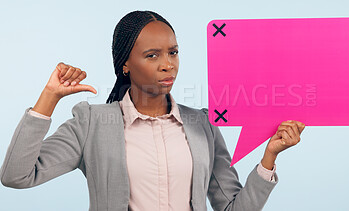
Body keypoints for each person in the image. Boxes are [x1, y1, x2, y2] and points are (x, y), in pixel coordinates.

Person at [0, 10, 305, 211]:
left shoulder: (203, 124)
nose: (167, 64)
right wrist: (50, 97)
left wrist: (269, 158)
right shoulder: (92, 123)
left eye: (173, 52)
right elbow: (17, 176)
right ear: (126, 64)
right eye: (152, 55)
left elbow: (231, 207)